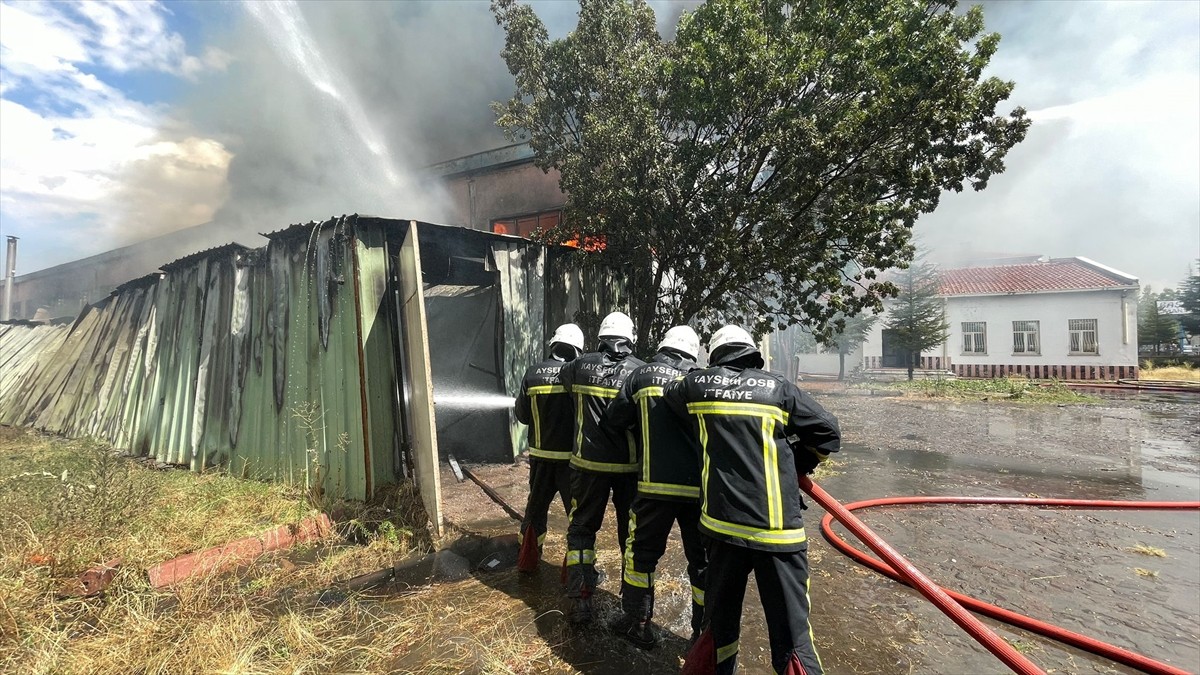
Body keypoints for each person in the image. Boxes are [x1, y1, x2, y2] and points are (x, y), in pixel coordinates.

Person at [667, 325, 841, 675]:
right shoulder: (778, 388)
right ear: (752, 353)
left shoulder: (696, 386)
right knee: (792, 637)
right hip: (777, 533)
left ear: (714, 355)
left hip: (721, 528)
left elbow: (670, 393)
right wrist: (795, 460)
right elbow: (828, 433)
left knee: (719, 625)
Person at [603, 325, 706, 649]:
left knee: (641, 556)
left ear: (663, 346)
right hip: (698, 491)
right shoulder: (704, 380)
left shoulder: (641, 376)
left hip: (653, 486)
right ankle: (703, 635)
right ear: (692, 352)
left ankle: (639, 623)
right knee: (702, 562)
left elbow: (614, 419)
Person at [558, 311, 645, 624]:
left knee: (581, 532)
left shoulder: (579, 365)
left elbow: (564, 383)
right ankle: (634, 609)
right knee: (632, 536)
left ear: (601, 337)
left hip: (587, 464)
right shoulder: (640, 371)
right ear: (629, 338)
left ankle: (581, 603)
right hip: (628, 469)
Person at [513, 323, 585, 573]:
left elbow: (522, 415)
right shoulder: (577, 375)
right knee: (577, 519)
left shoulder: (532, 373)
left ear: (553, 345)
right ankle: (576, 573)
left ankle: (527, 563)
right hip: (570, 463)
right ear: (577, 350)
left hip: (540, 461)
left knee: (534, 513)